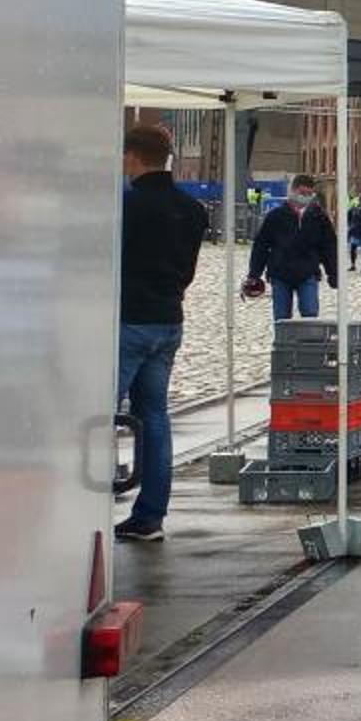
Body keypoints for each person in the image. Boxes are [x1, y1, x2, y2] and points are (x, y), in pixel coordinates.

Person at [115, 122, 210, 543]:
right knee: (154, 417)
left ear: (132, 156)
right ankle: (151, 514)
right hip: (169, 319)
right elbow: (188, 271)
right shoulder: (192, 209)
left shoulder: (127, 204)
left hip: (128, 320)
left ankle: (86, 510)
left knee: (99, 415)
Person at [246, 174, 340, 321]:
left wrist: (333, 272)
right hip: (280, 273)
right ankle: (283, 337)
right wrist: (254, 274)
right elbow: (261, 246)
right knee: (282, 318)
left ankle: (306, 336)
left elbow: (328, 247)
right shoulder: (275, 216)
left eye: (309, 194)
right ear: (293, 191)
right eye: (302, 193)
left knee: (310, 315)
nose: (305, 197)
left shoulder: (319, 217)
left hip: (308, 272)